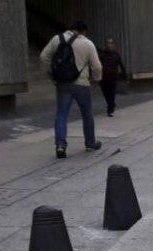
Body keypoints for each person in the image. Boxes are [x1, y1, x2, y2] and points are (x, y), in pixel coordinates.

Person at [40, 21, 103, 159]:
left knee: (61, 114)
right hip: (82, 84)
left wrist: (52, 74)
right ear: (84, 31)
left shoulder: (57, 39)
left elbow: (43, 57)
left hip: (63, 84)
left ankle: (60, 145)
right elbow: (97, 67)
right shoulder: (87, 43)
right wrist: (96, 79)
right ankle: (90, 143)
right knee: (87, 114)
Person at [98, 38, 126, 116]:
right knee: (106, 93)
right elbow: (97, 65)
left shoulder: (116, 55)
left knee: (112, 93)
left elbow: (121, 65)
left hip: (113, 77)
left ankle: (110, 108)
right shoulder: (102, 54)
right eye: (108, 43)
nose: (109, 45)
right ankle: (111, 104)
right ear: (105, 45)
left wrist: (124, 76)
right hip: (103, 78)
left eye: (111, 43)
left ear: (114, 45)